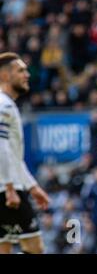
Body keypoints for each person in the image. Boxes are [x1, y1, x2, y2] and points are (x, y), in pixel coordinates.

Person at [0, 52, 50, 254]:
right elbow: (1, 147)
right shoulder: (4, 105)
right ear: (4, 75)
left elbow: (12, 156)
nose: (27, 74)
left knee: (4, 247)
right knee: (35, 247)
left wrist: (32, 186)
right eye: (20, 70)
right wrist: (10, 188)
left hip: (7, 186)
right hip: (7, 190)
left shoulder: (7, 104)